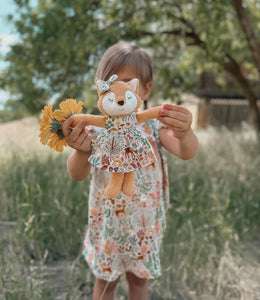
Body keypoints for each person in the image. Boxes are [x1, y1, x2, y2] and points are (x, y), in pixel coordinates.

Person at [62, 42, 198, 300]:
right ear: (100, 90)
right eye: (110, 84)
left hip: (144, 229)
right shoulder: (96, 131)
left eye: (126, 83)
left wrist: (185, 132)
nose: (118, 93)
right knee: (105, 285)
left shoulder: (155, 128)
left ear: (145, 89)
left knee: (138, 283)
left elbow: (186, 151)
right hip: (108, 226)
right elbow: (76, 174)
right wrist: (80, 151)